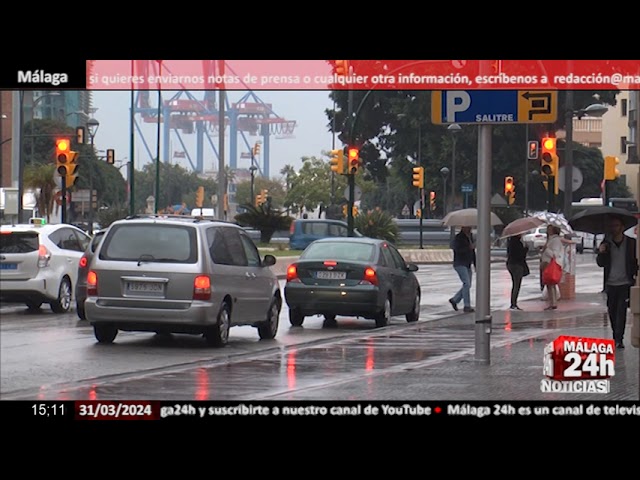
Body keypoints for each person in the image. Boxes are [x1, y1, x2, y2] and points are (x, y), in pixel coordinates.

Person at [596, 216, 638, 349]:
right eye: (612, 226)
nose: (613, 228)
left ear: (622, 227)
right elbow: (600, 263)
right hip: (611, 283)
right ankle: (616, 334)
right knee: (612, 311)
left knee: (621, 310)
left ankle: (619, 339)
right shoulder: (606, 243)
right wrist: (601, 252)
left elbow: (635, 262)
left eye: (616, 226)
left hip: (625, 283)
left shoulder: (631, 243)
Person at [449, 226, 476, 313]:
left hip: (467, 264)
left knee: (467, 285)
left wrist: (475, 264)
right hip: (460, 263)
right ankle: (467, 306)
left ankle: (455, 300)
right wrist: (468, 247)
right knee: (466, 284)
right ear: (463, 227)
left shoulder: (470, 237)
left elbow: (473, 252)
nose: (469, 228)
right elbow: (457, 249)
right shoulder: (459, 237)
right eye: (467, 227)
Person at [540, 225, 564, 310]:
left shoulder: (555, 240)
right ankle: (552, 302)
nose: (547, 230)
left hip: (550, 264)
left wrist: (546, 249)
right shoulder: (551, 239)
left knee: (551, 284)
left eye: (549, 229)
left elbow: (554, 254)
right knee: (549, 284)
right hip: (547, 262)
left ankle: (553, 303)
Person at [506, 234, 529, 310]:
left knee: (515, 284)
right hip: (517, 265)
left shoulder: (510, 242)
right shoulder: (517, 243)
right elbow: (520, 255)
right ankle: (513, 304)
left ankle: (513, 303)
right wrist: (525, 249)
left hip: (510, 264)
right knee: (517, 284)